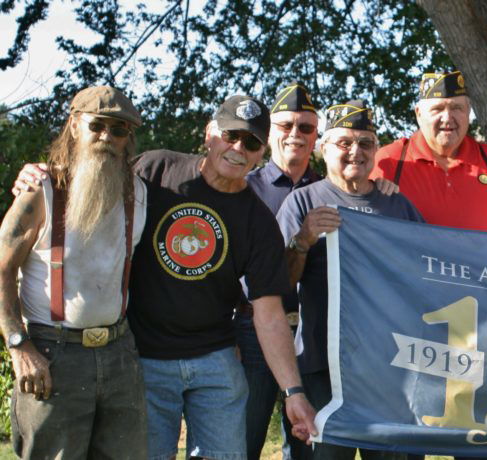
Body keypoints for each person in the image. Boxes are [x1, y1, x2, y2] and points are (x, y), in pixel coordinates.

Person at [12, 94, 321, 458]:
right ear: (209, 134)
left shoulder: (259, 223)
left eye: (251, 142)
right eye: (230, 135)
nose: (238, 147)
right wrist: (44, 174)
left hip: (216, 361)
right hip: (142, 357)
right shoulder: (155, 171)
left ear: (260, 153)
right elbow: (96, 173)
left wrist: (293, 392)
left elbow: (268, 315)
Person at [0, 86, 148, 458]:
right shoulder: (41, 190)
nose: (107, 137)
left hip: (119, 352)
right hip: (53, 353)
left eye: (119, 130)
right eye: (97, 125)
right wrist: (20, 347)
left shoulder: (140, 194)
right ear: (75, 125)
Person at [277, 99, 421, 460]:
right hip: (323, 365)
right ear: (324, 149)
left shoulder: (398, 206)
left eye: (365, 143)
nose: (355, 151)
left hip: (387, 367)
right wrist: (302, 241)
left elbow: (424, 276)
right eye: (344, 143)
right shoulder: (300, 203)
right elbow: (280, 285)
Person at [239, 81, 322, 460]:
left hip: (308, 335)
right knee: (241, 443)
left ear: (316, 135)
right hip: (251, 333)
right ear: (270, 131)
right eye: (286, 125)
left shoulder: (328, 192)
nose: (295, 134)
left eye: (305, 127)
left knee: (306, 447)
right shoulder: (243, 188)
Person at [371, 70, 487, 234]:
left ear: (468, 111)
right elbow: (356, 212)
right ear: (418, 113)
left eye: (457, 108)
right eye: (437, 109)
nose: (447, 117)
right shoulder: (390, 161)